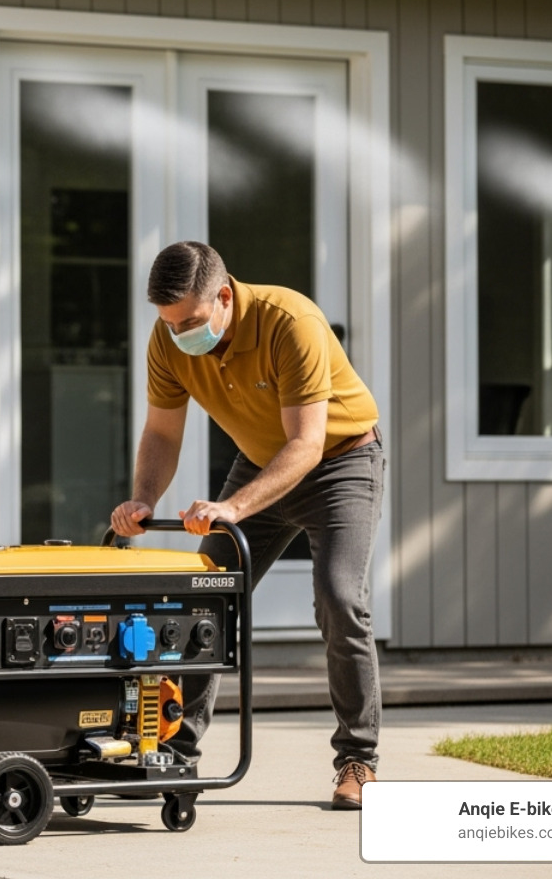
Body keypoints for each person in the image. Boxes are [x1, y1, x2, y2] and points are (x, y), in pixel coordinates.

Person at [110, 241, 383, 810]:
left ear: (225, 296)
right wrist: (142, 499)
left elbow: (307, 444)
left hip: (340, 463)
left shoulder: (290, 322)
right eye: (168, 323)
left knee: (339, 596)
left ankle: (358, 759)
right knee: (204, 597)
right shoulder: (169, 340)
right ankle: (174, 751)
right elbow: (162, 433)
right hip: (260, 461)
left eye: (189, 321)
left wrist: (232, 508)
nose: (179, 334)